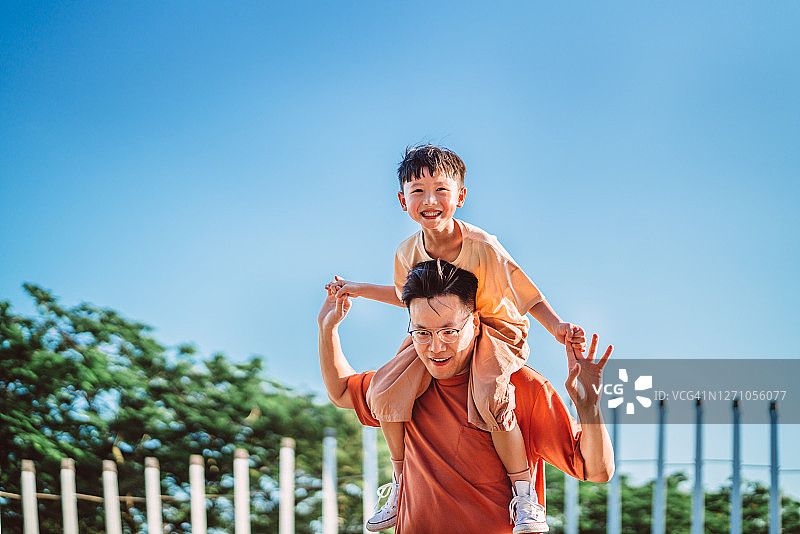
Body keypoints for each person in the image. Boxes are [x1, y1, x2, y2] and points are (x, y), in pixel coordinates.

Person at [325, 144, 586, 531]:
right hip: (440, 334)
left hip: (496, 331)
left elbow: (527, 294)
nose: (429, 200)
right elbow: (406, 298)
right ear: (402, 201)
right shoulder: (406, 251)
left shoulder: (484, 246)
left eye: (441, 190)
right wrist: (359, 289)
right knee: (385, 392)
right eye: (417, 191)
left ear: (460, 196)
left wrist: (559, 327)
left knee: (491, 397)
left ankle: (523, 493)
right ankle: (399, 487)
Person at [319, 260, 615, 533]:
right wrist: (327, 328)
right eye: (422, 333)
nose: (435, 348)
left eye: (449, 332)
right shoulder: (405, 385)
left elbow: (597, 470)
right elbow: (342, 390)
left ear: (474, 324)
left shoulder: (517, 386)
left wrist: (589, 408)